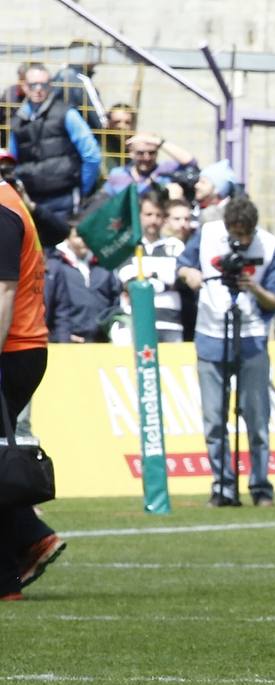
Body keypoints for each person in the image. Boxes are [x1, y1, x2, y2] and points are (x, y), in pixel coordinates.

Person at [176, 195, 275, 507]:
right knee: (214, 419)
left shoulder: (271, 246)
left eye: (245, 234)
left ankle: (260, 486)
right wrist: (191, 275)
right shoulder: (209, 234)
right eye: (234, 233)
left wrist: (253, 288)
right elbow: (182, 265)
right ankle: (223, 486)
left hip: (252, 339)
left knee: (257, 419)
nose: (239, 240)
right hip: (210, 336)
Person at [0, 177, 63, 601]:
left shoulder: (2, 210)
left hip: (13, 348)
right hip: (20, 347)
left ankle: (10, 570)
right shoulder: (8, 201)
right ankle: (30, 535)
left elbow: (3, 291)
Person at [7, 63, 101, 222]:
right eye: (33, 84)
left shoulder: (66, 114)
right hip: (31, 200)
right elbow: (12, 163)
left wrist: (80, 190)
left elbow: (92, 156)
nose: (38, 89)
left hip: (63, 199)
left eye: (43, 84)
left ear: (50, 85)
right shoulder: (17, 121)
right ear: (24, 86)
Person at [110, 190, 187, 344]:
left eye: (158, 215)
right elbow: (128, 280)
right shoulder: (128, 246)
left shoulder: (175, 246)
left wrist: (148, 276)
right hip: (135, 322)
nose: (154, 220)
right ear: (139, 216)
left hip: (170, 323)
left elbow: (177, 280)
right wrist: (162, 279)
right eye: (149, 214)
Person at [44, 221, 121, 343]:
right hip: (68, 342)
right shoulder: (55, 266)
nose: (83, 240)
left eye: (87, 235)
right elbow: (50, 308)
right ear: (67, 238)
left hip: (102, 342)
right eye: (78, 236)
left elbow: (115, 302)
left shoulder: (105, 264)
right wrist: (60, 336)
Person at [102, 132, 197, 197]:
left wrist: (158, 142)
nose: (146, 158)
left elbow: (191, 162)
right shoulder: (117, 174)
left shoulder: (165, 170)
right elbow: (104, 203)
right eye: (141, 153)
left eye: (151, 153)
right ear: (131, 153)